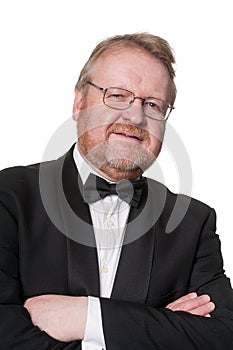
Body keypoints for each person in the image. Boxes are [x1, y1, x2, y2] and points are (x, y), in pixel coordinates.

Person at [0, 33, 233, 350]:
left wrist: (86, 317)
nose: (136, 116)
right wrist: (156, 328)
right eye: (118, 96)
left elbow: (223, 336)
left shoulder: (192, 223)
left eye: (152, 104)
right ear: (79, 103)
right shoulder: (8, 197)